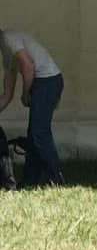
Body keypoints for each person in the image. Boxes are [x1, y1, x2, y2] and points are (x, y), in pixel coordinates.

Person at [0, 28, 64, 187]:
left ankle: (56, 179)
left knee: (39, 133)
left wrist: (26, 94)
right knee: (34, 134)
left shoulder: (9, 38)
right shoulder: (6, 53)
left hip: (48, 80)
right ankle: (30, 179)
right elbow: (7, 95)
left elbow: (28, 66)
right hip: (42, 82)